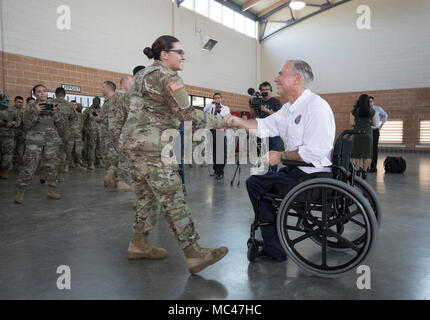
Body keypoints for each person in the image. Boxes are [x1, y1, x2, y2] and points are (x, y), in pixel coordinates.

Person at [121, 35, 230, 274]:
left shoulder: (141, 76)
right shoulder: (168, 77)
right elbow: (188, 115)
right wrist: (223, 121)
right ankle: (193, 253)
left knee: (147, 197)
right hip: (154, 148)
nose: (184, 56)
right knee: (173, 198)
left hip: (132, 145)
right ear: (164, 55)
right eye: (179, 52)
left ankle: (138, 244)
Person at [227, 60, 335, 261]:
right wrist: (239, 121)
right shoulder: (288, 108)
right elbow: (263, 126)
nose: (276, 79)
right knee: (262, 181)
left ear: (297, 78)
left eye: (281, 74)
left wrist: (282, 155)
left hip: (312, 176)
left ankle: (274, 248)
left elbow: (316, 152)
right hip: (299, 171)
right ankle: (273, 238)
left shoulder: (316, 107)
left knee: (255, 184)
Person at [15, 84, 63, 203]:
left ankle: (51, 190)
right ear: (35, 94)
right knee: (29, 166)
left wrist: (55, 113)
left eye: (44, 91)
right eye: (39, 91)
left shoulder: (53, 106)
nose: (42, 93)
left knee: (52, 166)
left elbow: (61, 125)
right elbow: (26, 125)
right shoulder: (30, 107)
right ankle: (21, 191)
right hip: (34, 140)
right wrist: (36, 112)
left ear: (47, 93)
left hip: (51, 140)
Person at [99, 78, 133, 192]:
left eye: (103, 87)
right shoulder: (123, 96)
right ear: (125, 84)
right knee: (124, 156)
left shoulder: (111, 100)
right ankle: (121, 181)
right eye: (130, 83)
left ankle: (112, 175)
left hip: (109, 134)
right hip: (121, 133)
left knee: (113, 156)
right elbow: (131, 114)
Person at [254, 82, 282, 173]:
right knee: (261, 153)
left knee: (273, 155)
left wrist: (266, 110)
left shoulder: (276, 102)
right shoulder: (258, 101)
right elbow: (253, 115)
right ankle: (262, 173)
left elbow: (279, 116)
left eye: (267, 90)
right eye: (263, 90)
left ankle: (272, 175)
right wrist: (252, 106)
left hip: (273, 133)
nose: (265, 91)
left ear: (271, 90)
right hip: (260, 132)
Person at [49, 87, 77, 176]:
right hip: (65, 131)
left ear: (55, 94)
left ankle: (49, 169)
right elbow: (74, 119)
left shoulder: (50, 103)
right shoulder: (69, 105)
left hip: (51, 131)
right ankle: (64, 166)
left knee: (50, 150)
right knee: (65, 150)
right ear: (65, 95)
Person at [203, 92, 230, 180]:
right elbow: (204, 110)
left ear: (221, 99)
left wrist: (219, 111)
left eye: (218, 98)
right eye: (215, 98)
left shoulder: (225, 108)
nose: (217, 99)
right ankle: (216, 171)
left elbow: (226, 119)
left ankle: (220, 172)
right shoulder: (210, 106)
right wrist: (212, 103)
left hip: (220, 131)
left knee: (221, 153)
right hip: (212, 131)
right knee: (214, 152)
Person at [350, 94, 376, 180]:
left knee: (357, 154)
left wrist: (359, 123)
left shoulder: (354, 111)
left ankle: (357, 170)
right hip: (368, 134)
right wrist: (367, 123)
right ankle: (364, 172)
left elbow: (351, 123)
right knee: (367, 154)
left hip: (357, 134)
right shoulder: (371, 111)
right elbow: (374, 123)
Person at [0, 94, 22, 179]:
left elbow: (18, 122)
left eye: (7, 100)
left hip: (8, 135)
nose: (5, 101)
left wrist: (6, 123)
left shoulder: (13, 111)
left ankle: (4, 171)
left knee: (7, 154)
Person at [83, 97, 104, 169]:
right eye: (94, 101)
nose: (95, 103)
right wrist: (85, 129)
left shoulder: (102, 110)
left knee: (100, 147)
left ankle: (100, 161)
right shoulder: (88, 110)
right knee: (92, 147)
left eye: (97, 102)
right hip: (91, 132)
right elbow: (83, 120)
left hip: (100, 131)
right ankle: (91, 162)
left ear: (99, 102)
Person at [369, 96, 388, 172]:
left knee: (374, 149)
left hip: (375, 131)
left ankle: (373, 167)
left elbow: (385, 115)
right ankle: (366, 166)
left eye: (371, 101)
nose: (369, 103)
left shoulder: (377, 109)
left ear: (373, 102)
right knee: (367, 149)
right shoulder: (364, 110)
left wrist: (381, 125)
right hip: (367, 131)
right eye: (368, 101)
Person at [12, 96, 25, 171]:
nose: (20, 104)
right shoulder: (10, 110)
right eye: (19, 102)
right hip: (12, 134)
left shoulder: (24, 111)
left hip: (21, 134)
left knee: (20, 150)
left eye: (21, 102)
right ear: (15, 102)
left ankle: (17, 165)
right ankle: (9, 166)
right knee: (11, 150)